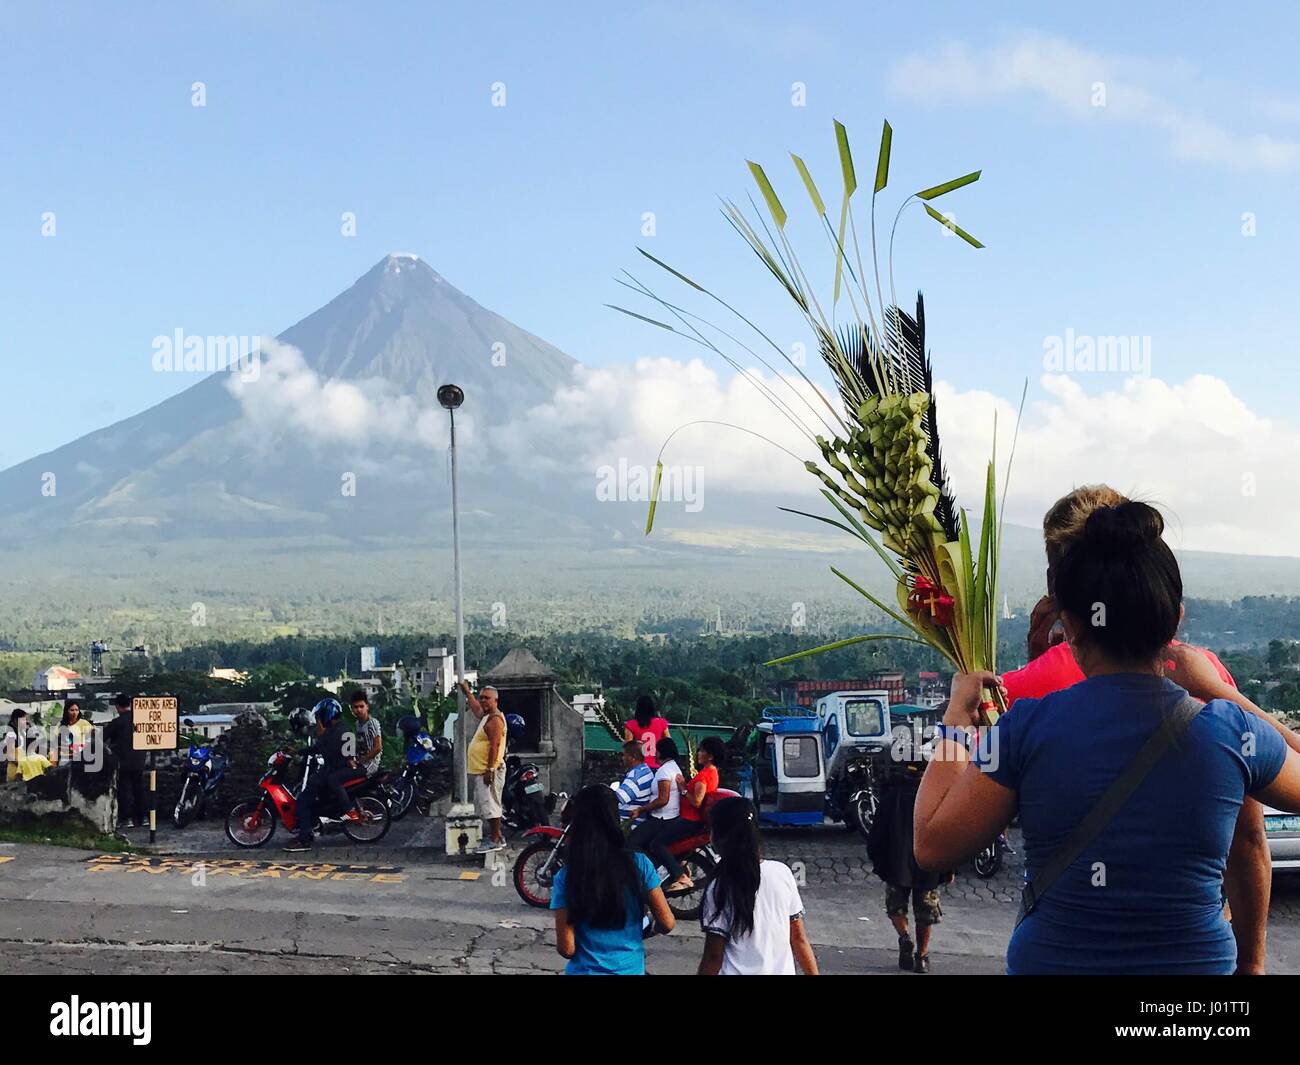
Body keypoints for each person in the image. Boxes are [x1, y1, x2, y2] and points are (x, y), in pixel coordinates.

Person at [914, 501, 1300, 974]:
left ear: (1070, 624)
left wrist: (956, 720)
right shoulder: (1226, 731)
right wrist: (1219, 690)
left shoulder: (1024, 728)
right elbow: (1252, 837)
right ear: (1176, 619)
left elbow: (932, 844)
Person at [551, 784, 675, 974]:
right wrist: (644, 931)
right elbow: (667, 923)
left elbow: (567, 948)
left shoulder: (567, 875)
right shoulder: (639, 863)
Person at [698, 796, 818, 975]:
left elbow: (713, 957)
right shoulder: (782, 873)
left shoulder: (719, 886)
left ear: (719, 837)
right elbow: (799, 939)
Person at [867, 751, 948, 973]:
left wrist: (877, 859)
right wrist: (949, 867)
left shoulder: (891, 797)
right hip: (928, 865)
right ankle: (921, 957)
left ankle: (904, 937)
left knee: (895, 907)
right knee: (926, 913)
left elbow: (876, 834)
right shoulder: (936, 798)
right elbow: (946, 833)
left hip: (896, 864)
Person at [283, 698, 355, 853]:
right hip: (335, 770)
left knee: (302, 801)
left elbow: (318, 748)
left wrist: (298, 752)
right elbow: (319, 748)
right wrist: (299, 751)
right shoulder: (342, 728)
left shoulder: (333, 732)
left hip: (331, 772)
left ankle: (304, 839)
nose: (318, 720)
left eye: (320, 716)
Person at [627, 736, 685, 887]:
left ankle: (655, 871)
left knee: (630, 843)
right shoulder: (673, 767)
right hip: (668, 816)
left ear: (660, 753)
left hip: (661, 818)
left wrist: (641, 809)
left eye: (657, 751)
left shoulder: (664, 771)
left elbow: (662, 799)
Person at [460, 679, 507, 852]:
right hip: (481, 770)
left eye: (487, 698)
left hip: (489, 770)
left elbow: (494, 746)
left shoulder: (495, 720)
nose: (483, 701)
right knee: (486, 805)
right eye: (482, 697)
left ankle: (495, 839)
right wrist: (468, 692)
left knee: (491, 806)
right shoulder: (487, 715)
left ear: (495, 700)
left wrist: (490, 769)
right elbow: (476, 709)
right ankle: (497, 836)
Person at [104, 694, 146, 827]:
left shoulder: (117, 722)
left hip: (122, 761)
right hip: (139, 759)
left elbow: (101, 738)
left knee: (124, 790)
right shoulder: (140, 720)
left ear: (117, 707)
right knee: (139, 789)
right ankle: (143, 818)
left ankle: (126, 819)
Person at [623, 694, 671, 771]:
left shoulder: (631, 724)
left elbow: (629, 747)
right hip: (658, 766)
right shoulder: (661, 723)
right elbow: (669, 743)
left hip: (639, 767)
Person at [613, 740, 656, 820]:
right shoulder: (646, 770)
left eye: (624, 755)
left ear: (633, 757)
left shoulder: (635, 777)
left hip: (630, 824)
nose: (623, 758)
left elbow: (616, 798)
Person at [350, 691, 382, 777]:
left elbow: (378, 747)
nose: (359, 710)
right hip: (360, 763)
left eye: (361, 706)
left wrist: (364, 759)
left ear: (367, 706)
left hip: (370, 766)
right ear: (352, 709)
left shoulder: (372, 723)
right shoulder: (357, 724)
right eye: (356, 707)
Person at [52, 699, 93, 765]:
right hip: (64, 758)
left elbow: (92, 738)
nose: (75, 712)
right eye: (72, 710)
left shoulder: (84, 723)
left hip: (80, 758)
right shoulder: (60, 724)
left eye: (77, 710)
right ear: (66, 711)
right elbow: (56, 741)